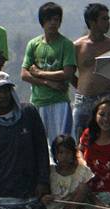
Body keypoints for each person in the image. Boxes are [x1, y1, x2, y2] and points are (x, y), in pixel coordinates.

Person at [0, 71, 50, 209]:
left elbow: (42, 149)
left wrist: (43, 181)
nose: (2, 95)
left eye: (6, 90)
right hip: (4, 195)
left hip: (32, 192)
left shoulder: (29, 112)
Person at [21, 2, 76, 143]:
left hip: (59, 103)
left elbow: (67, 73)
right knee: (38, 143)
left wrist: (39, 73)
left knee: (62, 143)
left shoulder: (66, 44)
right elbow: (24, 74)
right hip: (38, 102)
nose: (53, 23)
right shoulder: (33, 44)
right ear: (42, 21)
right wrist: (47, 82)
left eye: (56, 20)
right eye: (49, 19)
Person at [72, 3, 110, 140]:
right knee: (80, 141)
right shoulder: (78, 46)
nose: (108, 22)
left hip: (105, 100)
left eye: (108, 19)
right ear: (92, 22)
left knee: (107, 140)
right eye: (104, 19)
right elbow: (68, 72)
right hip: (83, 101)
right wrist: (80, 87)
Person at [41, 135, 94, 209]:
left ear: (73, 153)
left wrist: (100, 205)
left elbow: (89, 193)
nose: (64, 156)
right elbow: (42, 193)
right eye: (60, 153)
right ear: (55, 154)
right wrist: (44, 197)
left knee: (83, 188)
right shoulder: (50, 172)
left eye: (68, 153)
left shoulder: (82, 171)